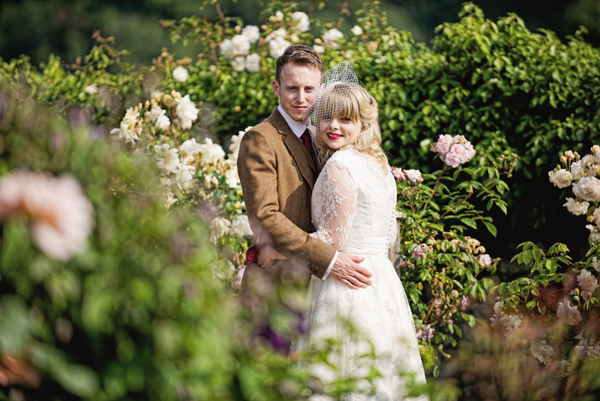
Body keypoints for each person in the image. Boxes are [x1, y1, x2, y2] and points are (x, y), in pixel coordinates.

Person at [287, 64, 429, 400]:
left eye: (345, 119)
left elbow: (331, 241)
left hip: (344, 283)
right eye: (326, 117)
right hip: (380, 282)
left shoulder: (341, 164)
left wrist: (282, 247)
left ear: (362, 124)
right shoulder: (377, 163)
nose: (333, 126)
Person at [237, 45, 373, 307]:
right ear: (277, 88)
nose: (301, 98)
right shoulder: (260, 139)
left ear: (321, 89)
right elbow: (265, 217)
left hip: (322, 291)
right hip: (274, 289)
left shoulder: (325, 136)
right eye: (292, 88)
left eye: (309, 89)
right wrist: (328, 259)